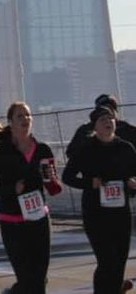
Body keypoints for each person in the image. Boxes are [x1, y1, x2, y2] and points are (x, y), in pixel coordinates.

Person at [0, 102, 63, 294]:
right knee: (26, 280)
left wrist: (50, 179)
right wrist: (10, 190)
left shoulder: (43, 150)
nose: (25, 119)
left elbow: (55, 189)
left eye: (28, 115)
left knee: (39, 280)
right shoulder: (1, 152)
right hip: (13, 223)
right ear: (11, 122)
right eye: (20, 116)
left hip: (39, 219)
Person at [62, 104, 136, 294]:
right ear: (94, 126)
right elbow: (67, 177)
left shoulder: (126, 149)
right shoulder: (85, 149)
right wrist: (90, 183)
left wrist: (133, 184)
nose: (108, 122)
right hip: (96, 215)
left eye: (111, 118)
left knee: (119, 263)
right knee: (107, 262)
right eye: (102, 119)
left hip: (121, 214)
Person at [66, 94, 136, 158]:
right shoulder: (85, 131)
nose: (109, 112)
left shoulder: (128, 129)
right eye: (104, 110)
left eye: (111, 108)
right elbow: (71, 153)